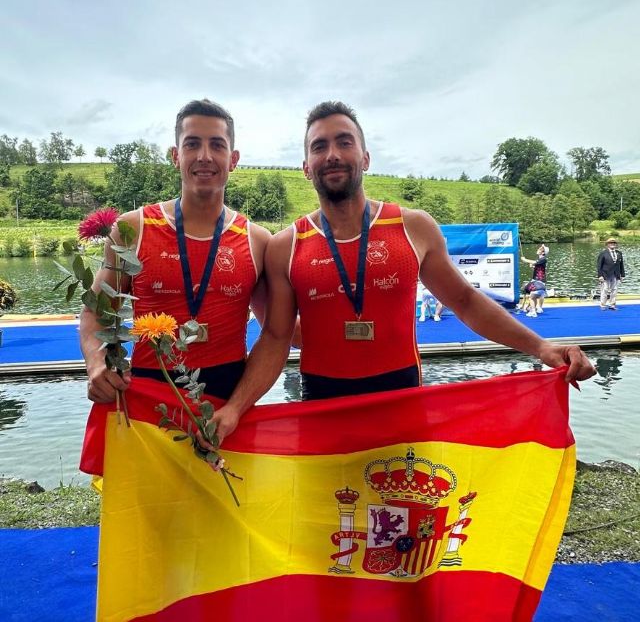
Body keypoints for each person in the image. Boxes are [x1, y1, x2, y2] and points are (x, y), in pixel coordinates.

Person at [211, 101, 595, 442]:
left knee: (407, 516)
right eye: (319, 146)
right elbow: (277, 336)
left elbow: (465, 302)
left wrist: (542, 347)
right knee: (327, 518)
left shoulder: (413, 227)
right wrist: (235, 408)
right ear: (306, 168)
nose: (332, 154)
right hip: (322, 404)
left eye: (344, 142)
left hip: (402, 399)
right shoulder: (286, 246)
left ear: (365, 158)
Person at [80, 99, 271, 403]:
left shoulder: (257, 239)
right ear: (175, 155)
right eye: (192, 144)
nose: (205, 156)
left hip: (228, 401)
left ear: (233, 159)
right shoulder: (133, 229)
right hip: (146, 397)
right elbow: (96, 312)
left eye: (217, 145)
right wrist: (97, 362)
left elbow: (276, 332)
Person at [597, 237, 625, 310]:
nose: (612, 244)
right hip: (605, 274)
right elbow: (599, 265)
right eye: (611, 243)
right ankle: (602, 305)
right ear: (607, 244)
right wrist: (600, 275)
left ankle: (612, 304)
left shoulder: (619, 253)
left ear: (616, 244)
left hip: (616, 274)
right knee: (605, 289)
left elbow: (621, 264)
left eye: (614, 243)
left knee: (614, 289)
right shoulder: (603, 253)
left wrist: (622, 275)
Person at [518, 244, 548, 311]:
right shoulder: (540, 259)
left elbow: (534, 262)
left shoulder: (543, 259)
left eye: (539, 249)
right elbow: (538, 268)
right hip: (536, 279)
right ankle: (531, 307)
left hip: (540, 280)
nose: (537, 250)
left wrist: (525, 260)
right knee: (532, 295)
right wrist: (533, 267)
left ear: (543, 252)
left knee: (538, 295)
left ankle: (538, 308)